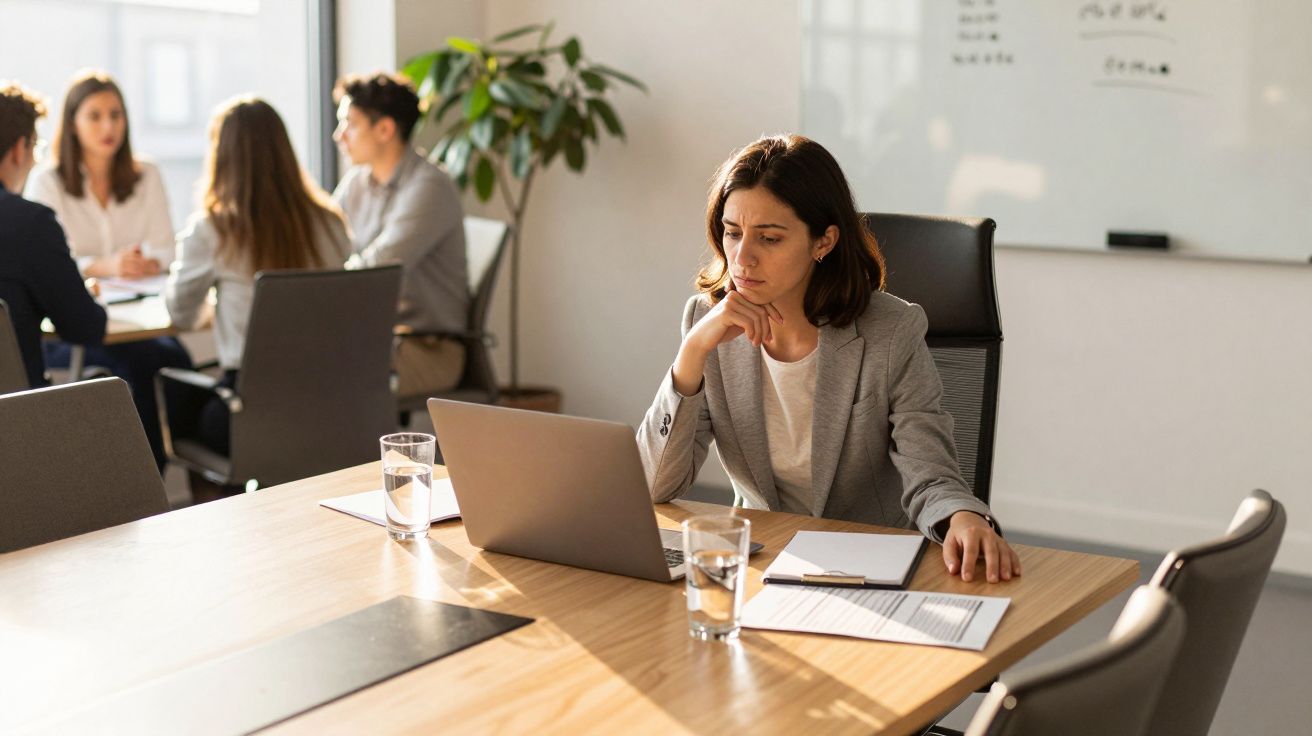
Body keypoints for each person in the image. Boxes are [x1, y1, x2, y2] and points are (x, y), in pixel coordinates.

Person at [638, 135, 1021, 584]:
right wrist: (692, 354)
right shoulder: (708, 321)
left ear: (824, 241)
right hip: (761, 562)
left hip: (868, 561)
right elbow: (656, 486)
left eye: (770, 238)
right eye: (732, 232)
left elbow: (929, 469)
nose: (742, 258)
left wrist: (963, 517)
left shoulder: (891, 331)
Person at [164, 96, 350, 457]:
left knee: (177, 397)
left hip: (251, 413)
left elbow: (180, 314)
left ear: (222, 158)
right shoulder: (331, 223)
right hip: (331, 407)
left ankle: (225, 505)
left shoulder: (213, 230)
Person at [25, 70, 191, 470]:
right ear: (73, 123)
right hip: (75, 325)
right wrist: (105, 265)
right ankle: (149, 481)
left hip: (139, 315)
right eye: (95, 116)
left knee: (176, 360)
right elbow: (48, 261)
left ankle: (193, 471)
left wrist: (141, 262)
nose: (108, 126)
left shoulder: (145, 174)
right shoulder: (47, 182)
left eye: (116, 115)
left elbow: (167, 250)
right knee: (138, 365)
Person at [331, 72, 469, 402]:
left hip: (428, 349)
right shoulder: (357, 182)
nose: (339, 136)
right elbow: (326, 244)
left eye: (349, 124)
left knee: (320, 379)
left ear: (385, 129)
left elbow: (377, 269)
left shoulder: (430, 186)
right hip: (377, 339)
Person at [0, 81, 106, 389]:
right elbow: (87, 328)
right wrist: (80, 291)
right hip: (21, 421)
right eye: (36, 147)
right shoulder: (30, 223)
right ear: (20, 149)